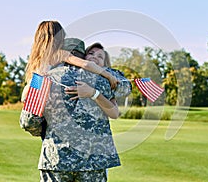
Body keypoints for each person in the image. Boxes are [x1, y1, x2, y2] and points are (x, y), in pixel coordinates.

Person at [20, 36, 132, 181]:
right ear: (83, 55)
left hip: (56, 159)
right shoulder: (103, 78)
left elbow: (28, 120)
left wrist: (43, 132)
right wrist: (106, 75)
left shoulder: (42, 78)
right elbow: (125, 87)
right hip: (93, 162)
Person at [22, 21, 118, 102]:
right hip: (45, 93)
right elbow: (86, 64)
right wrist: (108, 75)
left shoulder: (36, 58)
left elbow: (29, 90)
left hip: (32, 92)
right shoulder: (59, 54)